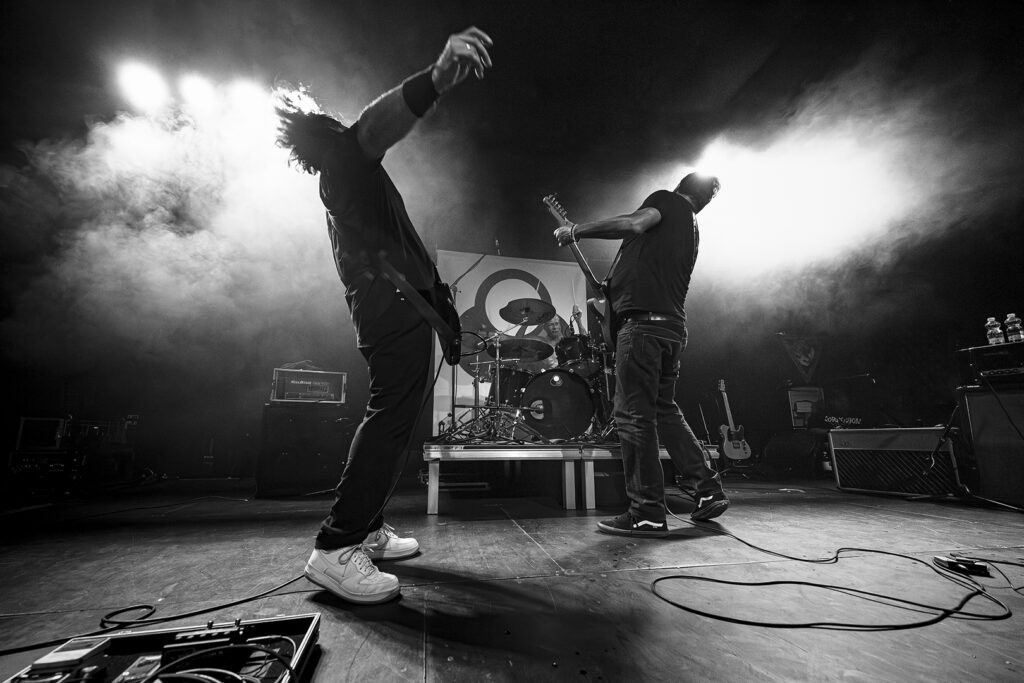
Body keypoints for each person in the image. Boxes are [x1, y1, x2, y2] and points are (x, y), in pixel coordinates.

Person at [276, 27, 493, 603]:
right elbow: (371, 128)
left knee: (395, 422)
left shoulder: (352, 176)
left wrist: (443, 310)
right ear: (328, 136)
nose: (347, 127)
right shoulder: (344, 161)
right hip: (390, 309)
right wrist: (435, 80)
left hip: (404, 307)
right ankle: (336, 545)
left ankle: (366, 528)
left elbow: (407, 252)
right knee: (389, 420)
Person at [553, 172, 728, 537]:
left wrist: (577, 230)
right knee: (664, 410)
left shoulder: (667, 201)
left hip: (644, 329)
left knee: (633, 416)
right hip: (670, 329)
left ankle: (646, 512)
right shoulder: (690, 229)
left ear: (680, 187)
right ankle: (707, 489)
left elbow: (634, 223)